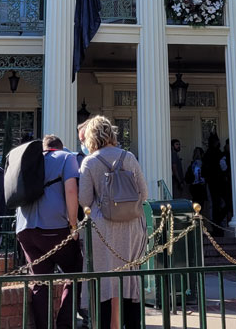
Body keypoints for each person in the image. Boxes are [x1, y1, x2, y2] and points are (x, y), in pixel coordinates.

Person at [79, 116, 147, 329]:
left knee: (104, 279)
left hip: (103, 228)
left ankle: (104, 323)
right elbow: (143, 193)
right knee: (129, 277)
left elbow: (84, 200)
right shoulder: (129, 157)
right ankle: (133, 323)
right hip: (131, 226)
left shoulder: (89, 162)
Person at [14, 135, 81, 329]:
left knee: (40, 282)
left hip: (25, 228)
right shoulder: (66, 158)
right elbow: (71, 191)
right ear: (60, 147)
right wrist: (73, 224)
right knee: (75, 273)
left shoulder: (29, 161)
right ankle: (64, 324)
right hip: (55, 227)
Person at [201, 134, 228, 234]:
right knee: (217, 204)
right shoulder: (215, 154)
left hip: (215, 182)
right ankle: (216, 225)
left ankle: (217, 223)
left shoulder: (210, 154)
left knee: (220, 204)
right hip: (215, 182)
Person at [186, 147, 207, 214]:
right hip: (199, 185)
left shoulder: (193, 163)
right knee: (200, 203)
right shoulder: (199, 163)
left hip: (193, 186)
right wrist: (201, 181)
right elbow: (197, 173)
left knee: (195, 202)